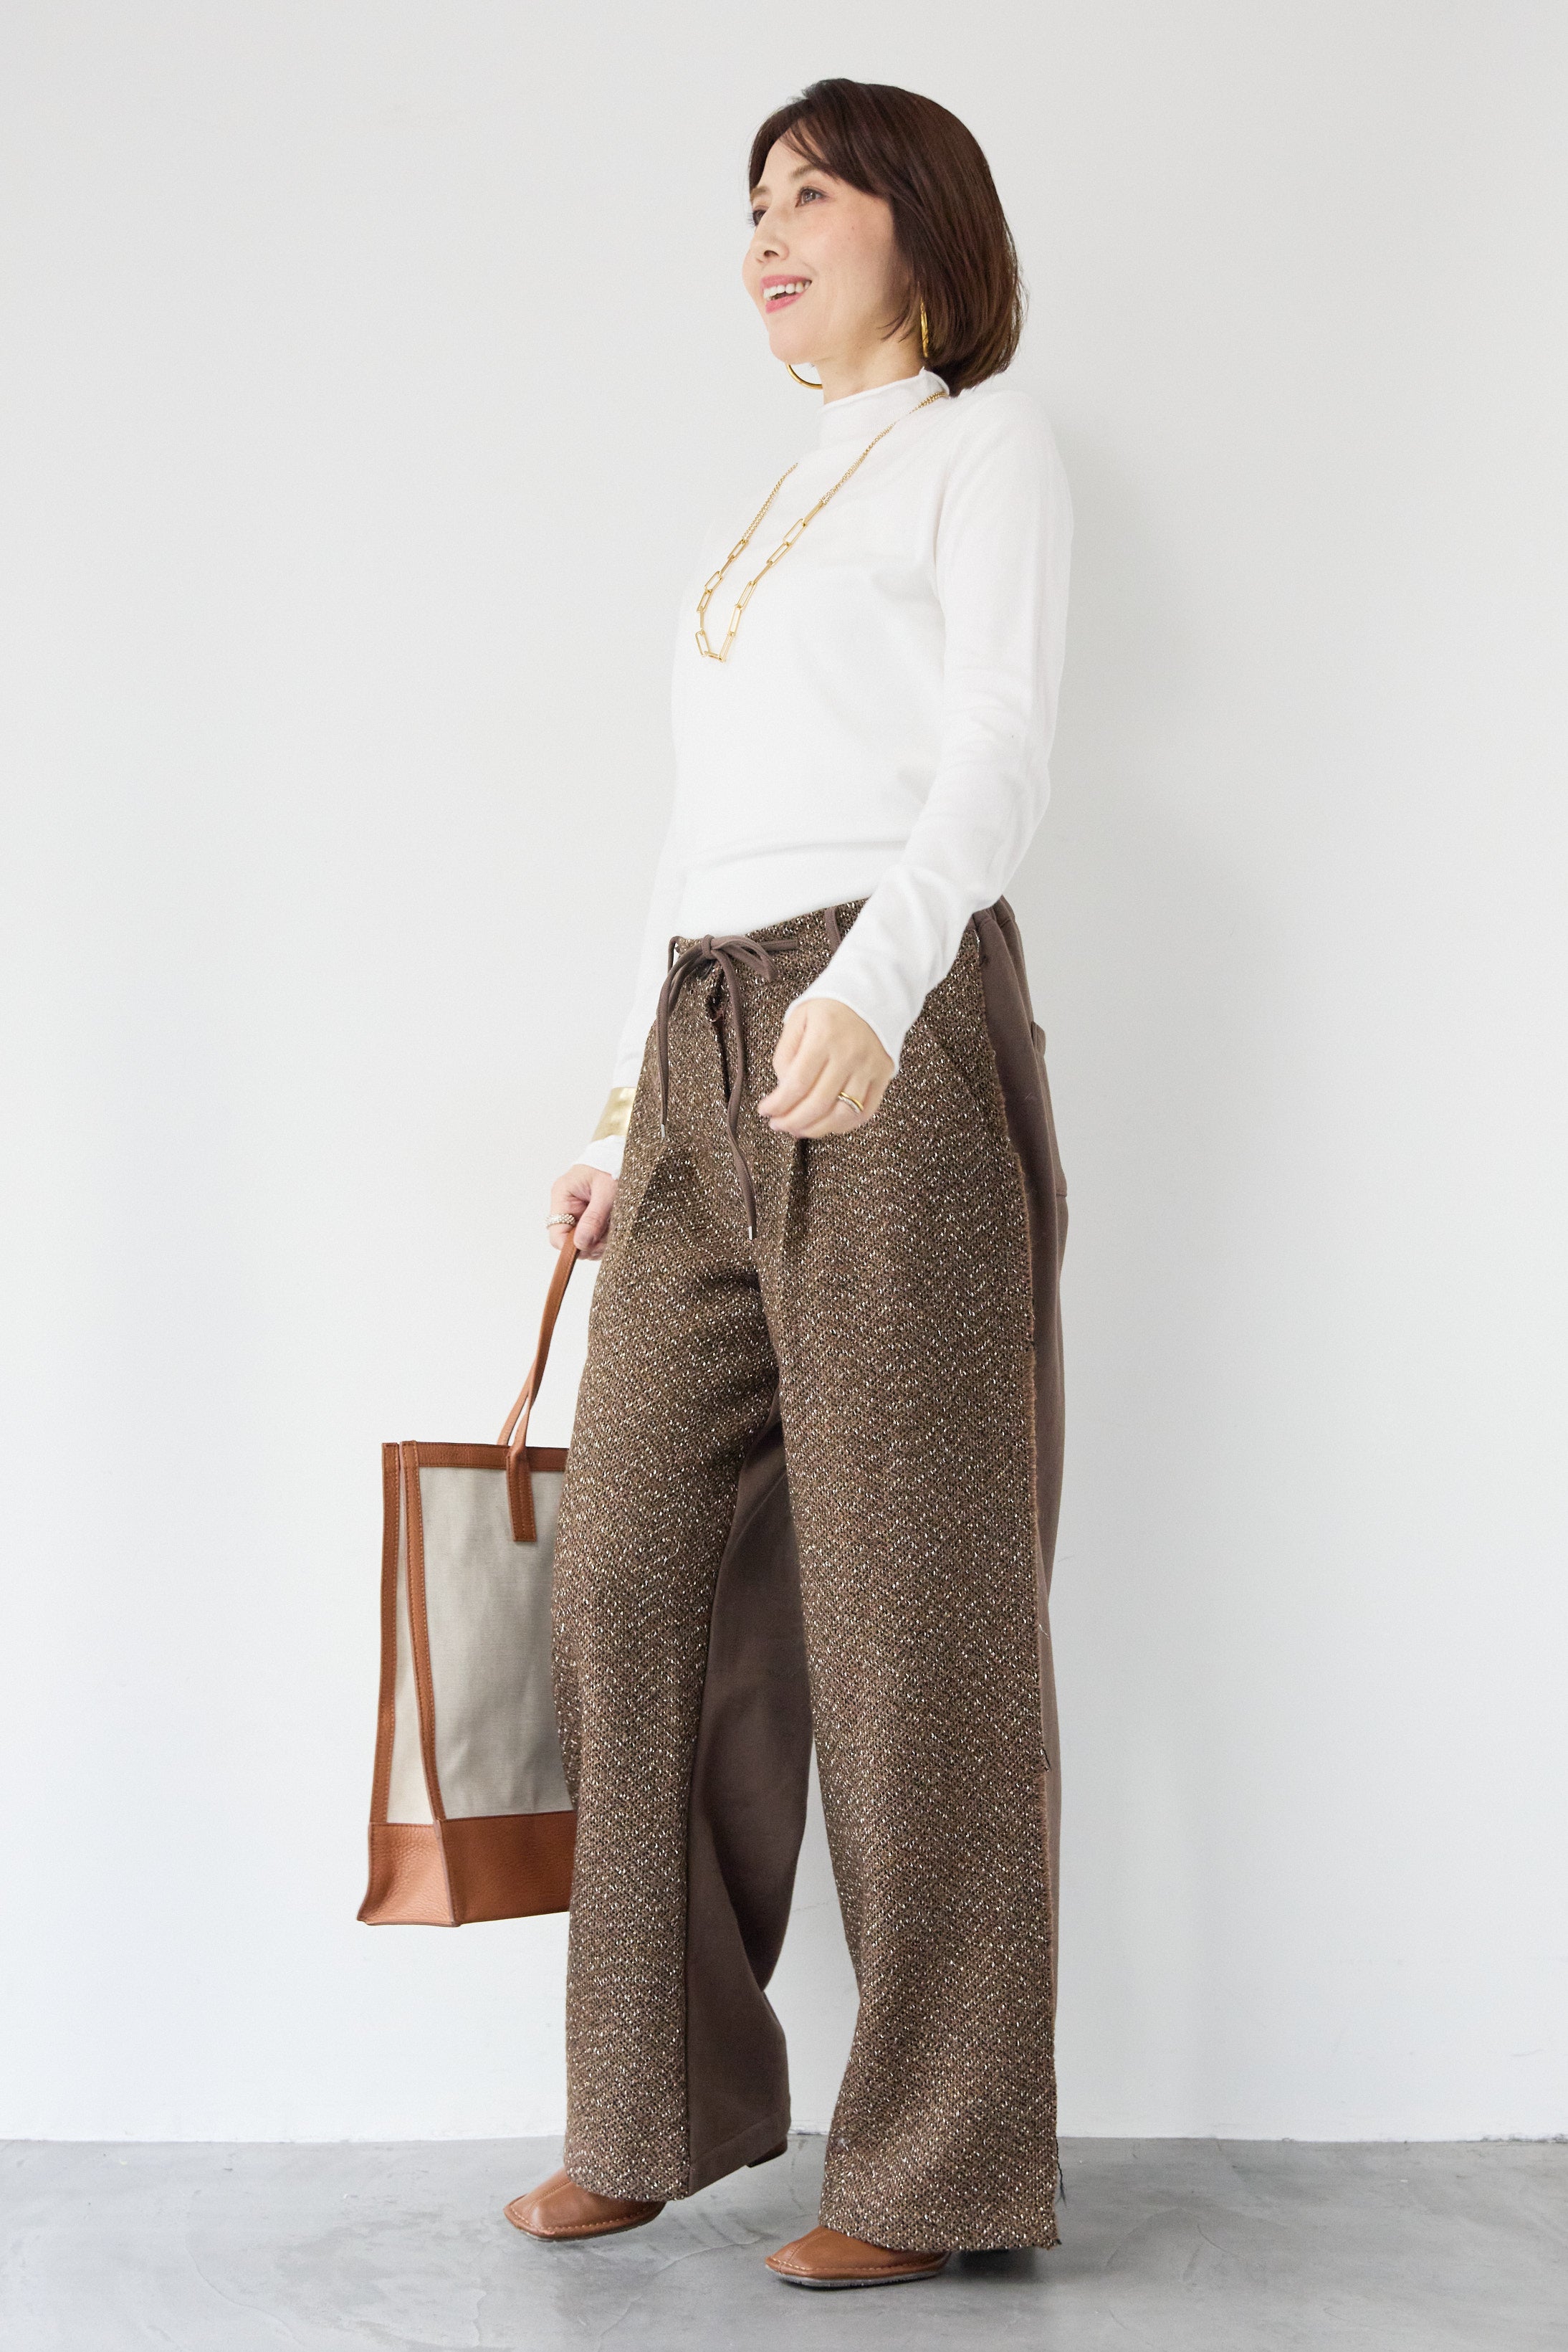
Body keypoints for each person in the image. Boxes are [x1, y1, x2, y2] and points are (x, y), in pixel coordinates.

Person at [507, 76, 1073, 2290]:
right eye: (750, 199)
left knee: (912, 1611)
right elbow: (692, 840)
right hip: (702, 1036)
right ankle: (643, 2114)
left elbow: (1000, 742)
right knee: (623, 1569)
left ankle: (934, 2172)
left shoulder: (979, 448)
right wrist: (614, 1120)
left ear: (914, 221)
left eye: (809, 193)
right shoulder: (769, 500)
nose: (763, 231)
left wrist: (879, 978)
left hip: (879, 1017)